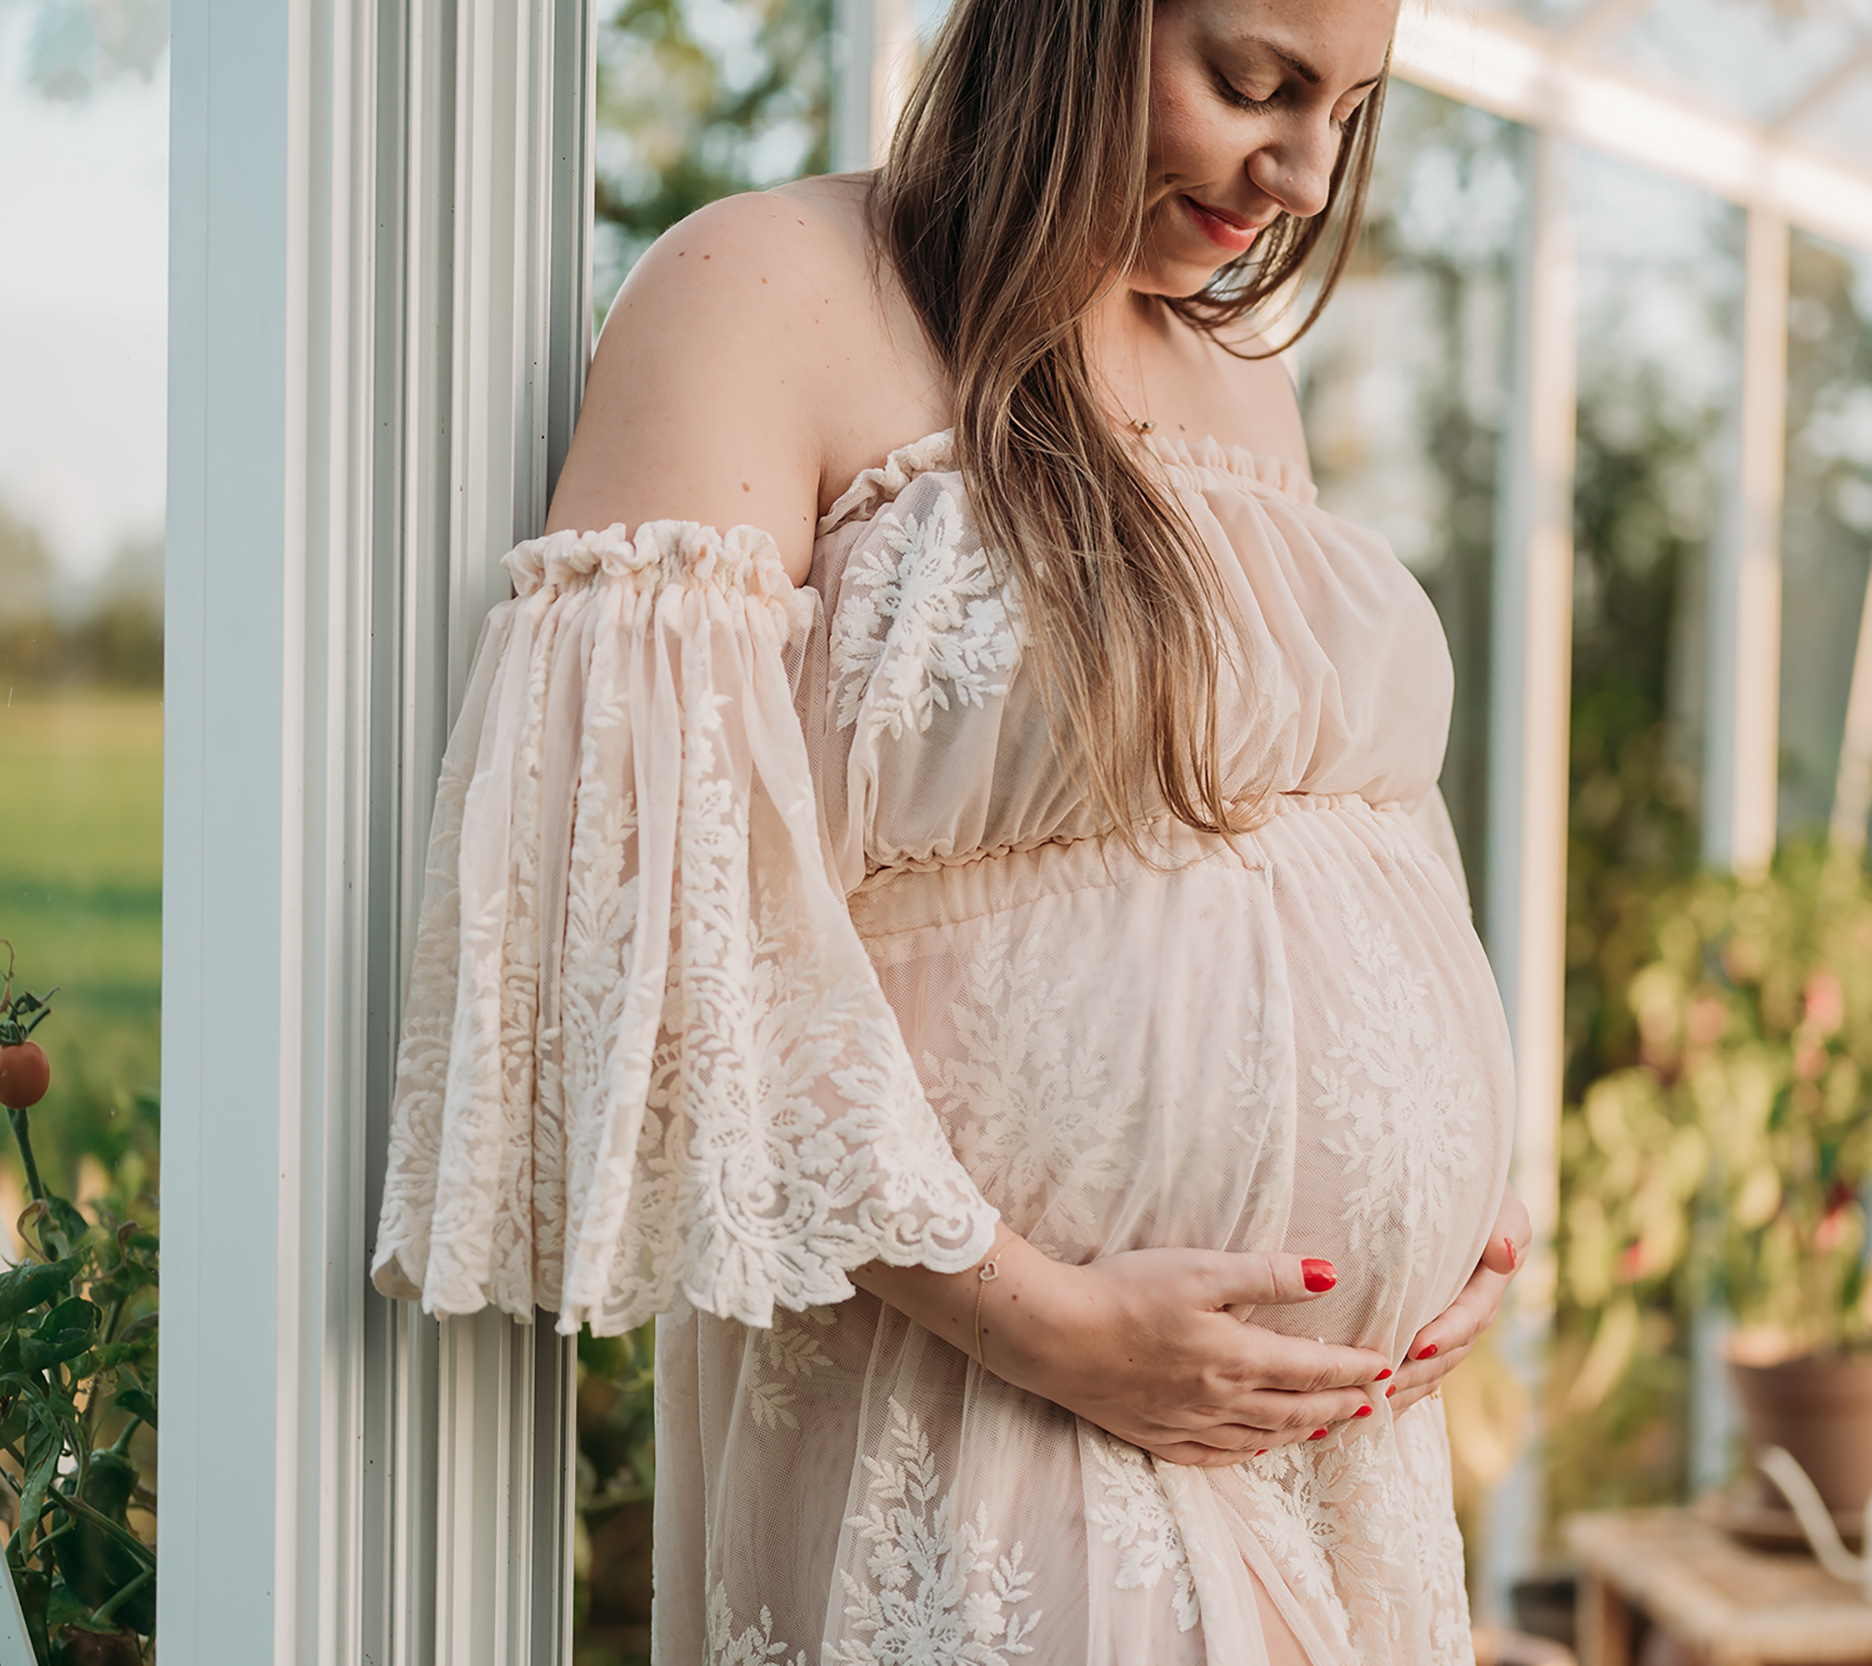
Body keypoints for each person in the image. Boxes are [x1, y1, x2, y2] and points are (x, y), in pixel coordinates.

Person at [369, 0, 1530, 1659]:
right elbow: (654, 901)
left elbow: (1345, 835)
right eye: (1254, 84)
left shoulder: (1233, 374)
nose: (1305, 170)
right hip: (999, 1403)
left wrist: (1466, 1209)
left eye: (1351, 106)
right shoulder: (763, 293)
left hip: (1331, 1437)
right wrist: (1047, 1318)